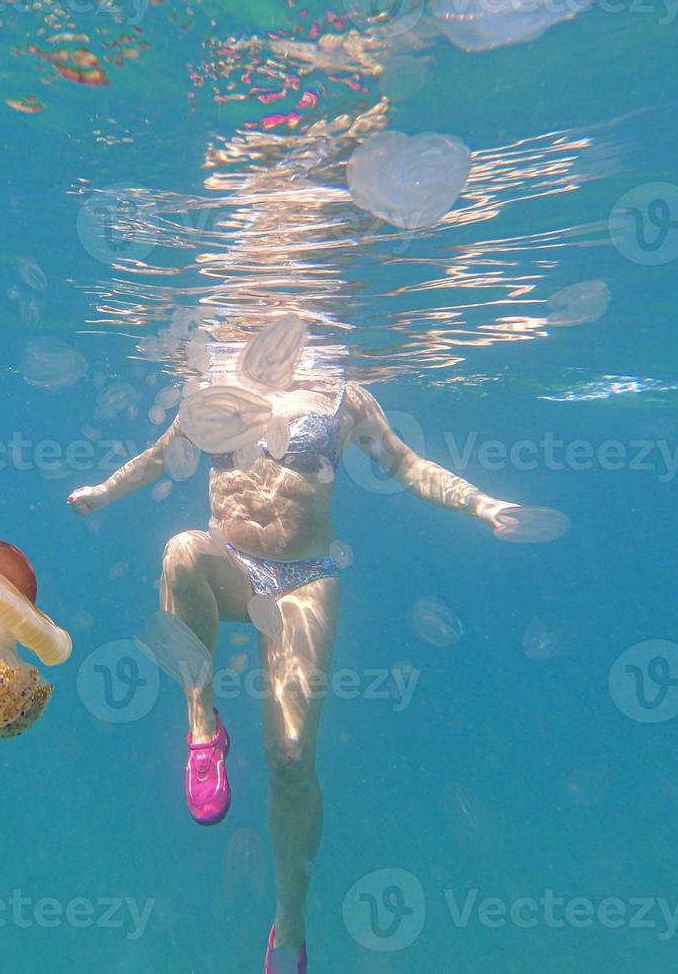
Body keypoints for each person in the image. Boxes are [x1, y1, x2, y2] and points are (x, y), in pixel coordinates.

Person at [68, 341, 527, 973]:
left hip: (304, 578)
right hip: (228, 564)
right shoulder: (213, 383)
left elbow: (407, 464)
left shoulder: (345, 391)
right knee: (179, 551)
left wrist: (481, 503)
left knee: (289, 759)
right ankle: (205, 731)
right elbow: (160, 456)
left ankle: (289, 923)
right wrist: (103, 492)